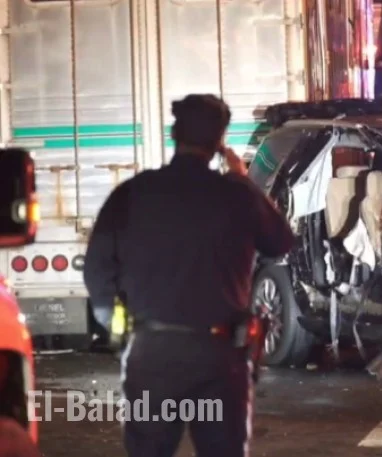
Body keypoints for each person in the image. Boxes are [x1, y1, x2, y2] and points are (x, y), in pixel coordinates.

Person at [83, 94, 294, 457]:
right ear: (219, 141)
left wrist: (118, 326)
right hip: (220, 355)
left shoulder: (133, 193)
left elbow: (97, 267)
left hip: (152, 350)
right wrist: (244, 181)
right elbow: (280, 242)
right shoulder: (235, 195)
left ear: (174, 133)